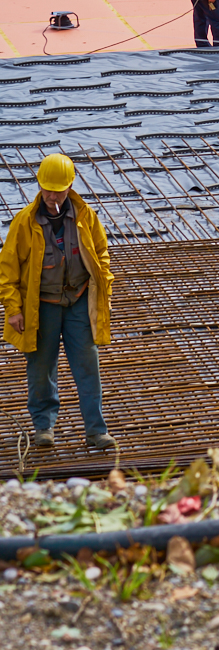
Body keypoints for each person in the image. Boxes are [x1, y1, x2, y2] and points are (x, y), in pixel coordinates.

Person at [0, 153, 115, 452]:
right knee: (40, 370)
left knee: (88, 367)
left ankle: (96, 431)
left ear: (70, 186)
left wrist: (104, 291)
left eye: (58, 189)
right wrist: (13, 309)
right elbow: (7, 271)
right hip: (42, 306)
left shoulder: (85, 215)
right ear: (39, 186)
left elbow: (101, 254)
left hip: (78, 301)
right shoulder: (24, 223)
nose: (52, 195)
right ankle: (44, 427)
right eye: (47, 189)